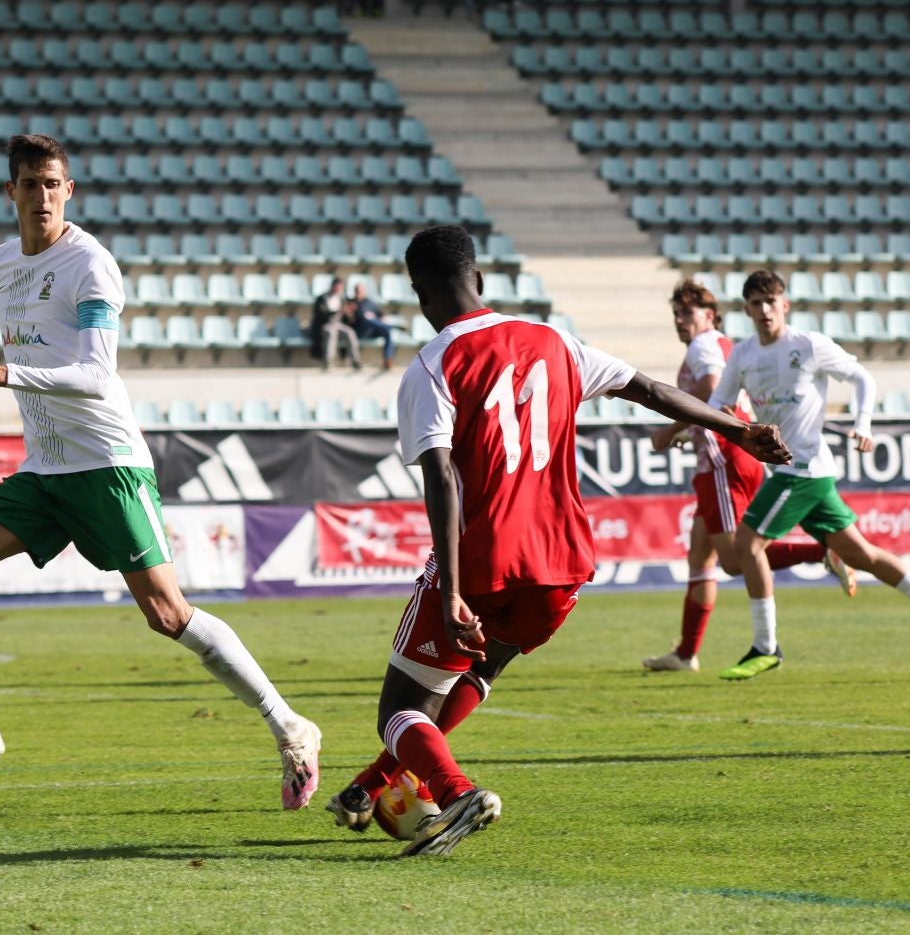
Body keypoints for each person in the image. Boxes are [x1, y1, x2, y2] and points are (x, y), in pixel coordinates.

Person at [323, 226, 792, 856]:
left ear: (419, 295)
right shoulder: (554, 341)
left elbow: (440, 479)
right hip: (563, 563)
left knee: (398, 709)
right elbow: (650, 391)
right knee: (483, 667)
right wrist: (736, 431)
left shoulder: (432, 366)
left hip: (484, 561)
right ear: (481, 281)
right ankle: (368, 785)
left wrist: (452, 592)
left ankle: (457, 792)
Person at [0, 134, 323, 810]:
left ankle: (291, 725)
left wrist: (3, 374)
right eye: (29, 184)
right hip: (46, 470)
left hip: (107, 465)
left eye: (52, 184)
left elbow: (96, 376)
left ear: (70, 191)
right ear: (10, 192)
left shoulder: (91, 265)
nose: (41, 196)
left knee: (166, 613)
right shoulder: (2, 262)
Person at [709, 271, 910, 681]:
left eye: (770, 302)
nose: (763, 311)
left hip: (803, 469)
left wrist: (863, 424)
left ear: (784, 305)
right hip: (799, 472)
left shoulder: (808, 345)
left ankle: (766, 645)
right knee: (862, 556)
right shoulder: (742, 356)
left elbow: (863, 377)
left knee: (747, 546)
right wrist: (726, 423)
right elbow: (718, 402)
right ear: (746, 310)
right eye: (755, 304)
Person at [641, 280, 850, 673]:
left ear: (709, 315)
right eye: (676, 314)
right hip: (726, 458)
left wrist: (671, 429)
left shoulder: (705, 346)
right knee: (700, 555)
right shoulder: (722, 346)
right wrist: (691, 432)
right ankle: (686, 653)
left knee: (736, 560)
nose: (680, 320)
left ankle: (823, 551)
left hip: (724, 462)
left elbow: (706, 390)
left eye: (688, 313)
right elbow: (724, 402)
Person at [309, 277, 361, 370]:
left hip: (338, 324)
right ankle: (328, 362)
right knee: (331, 332)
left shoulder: (341, 299)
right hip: (326, 324)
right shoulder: (322, 298)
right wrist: (337, 311)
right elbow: (321, 314)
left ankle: (355, 360)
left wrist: (349, 313)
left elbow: (347, 317)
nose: (339, 289)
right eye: (337, 286)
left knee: (350, 332)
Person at [349, 280, 394, 370]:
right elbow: (351, 318)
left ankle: (387, 359)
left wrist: (379, 318)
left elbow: (381, 314)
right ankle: (392, 326)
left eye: (361, 290)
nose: (360, 292)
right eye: (358, 290)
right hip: (361, 331)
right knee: (366, 318)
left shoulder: (369, 302)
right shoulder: (352, 302)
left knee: (387, 331)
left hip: (373, 330)